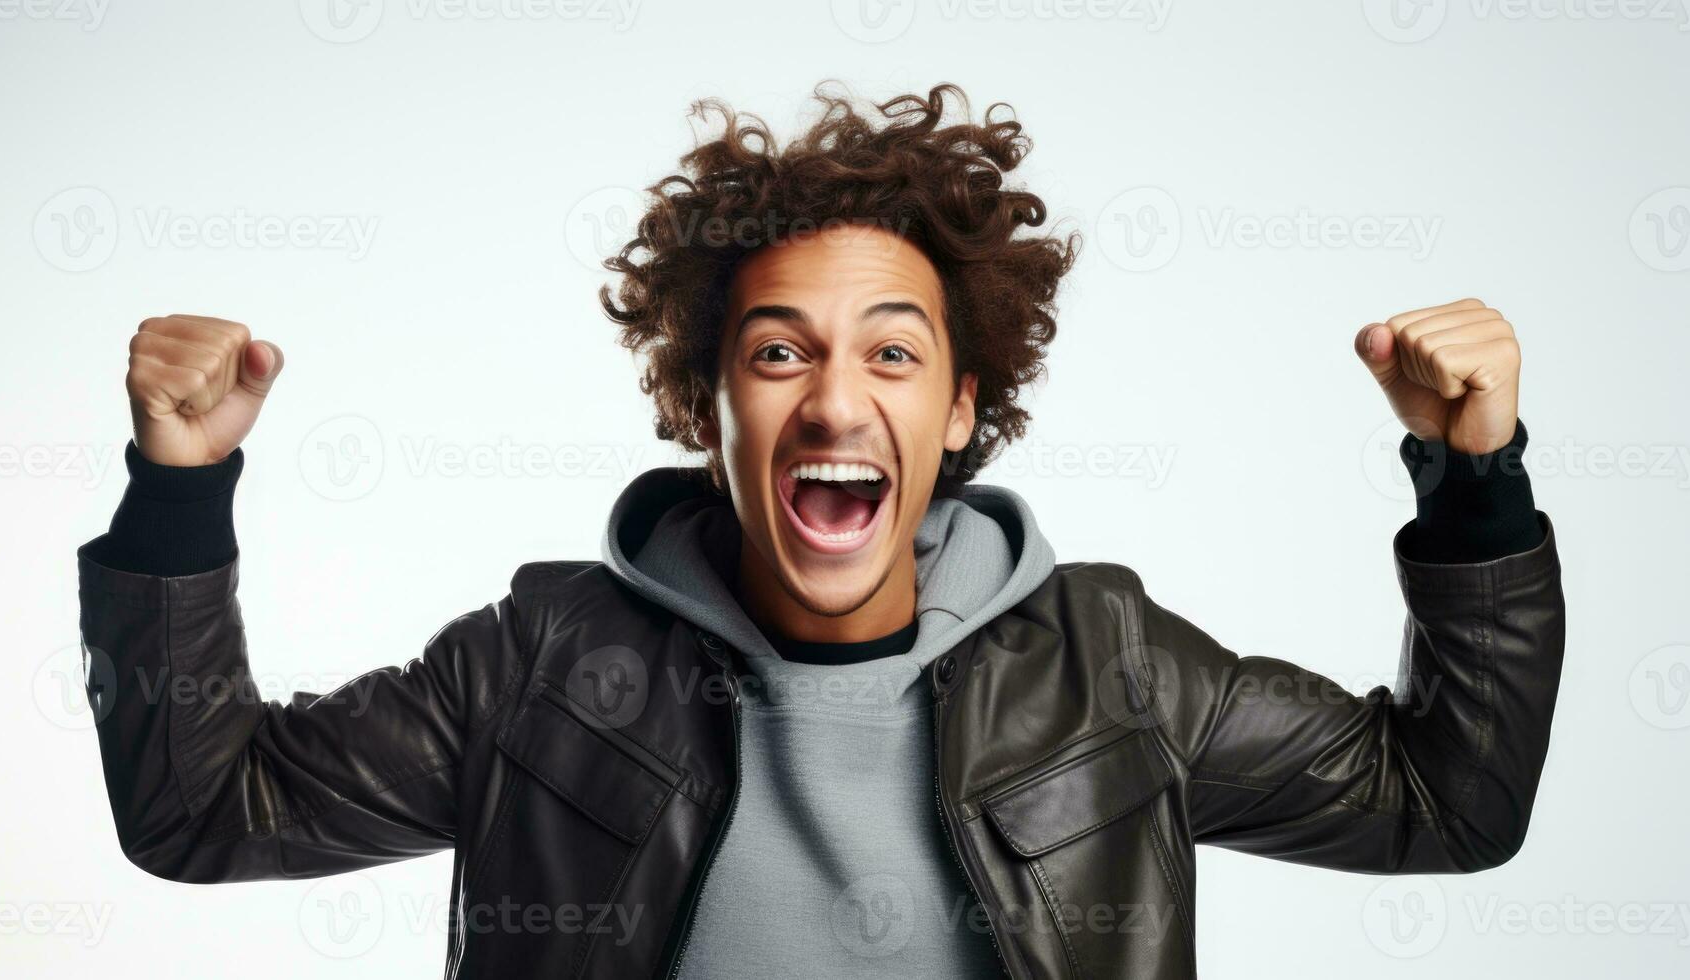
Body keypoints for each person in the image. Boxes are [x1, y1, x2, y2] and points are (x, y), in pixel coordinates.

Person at [76, 84, 1564, 980]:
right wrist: (180, 491)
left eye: (893, 355)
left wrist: (1473, 482)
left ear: (963, 406)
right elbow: (208, 814)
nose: (834, 401)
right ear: (701, 405)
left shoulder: (1111, 667)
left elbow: (1447, 804)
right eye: (777, 354)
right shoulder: (539, 666)